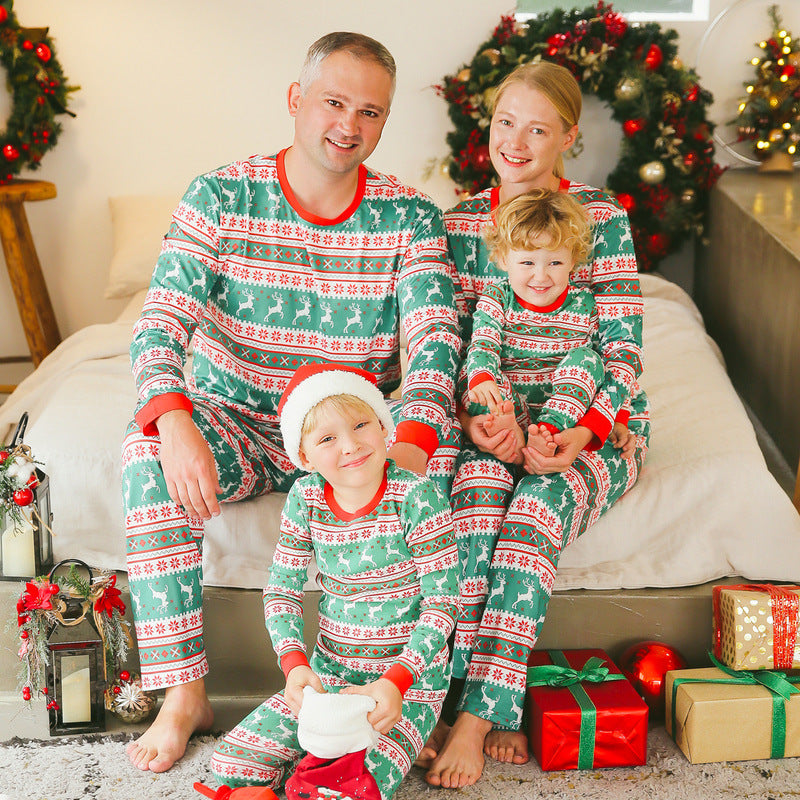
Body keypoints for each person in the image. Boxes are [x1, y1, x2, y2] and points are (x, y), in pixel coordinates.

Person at [121, 32, 460, 774]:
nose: (349, 124)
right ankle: (185, 695)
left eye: (370, 112)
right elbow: (160, 322)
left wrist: (401, 462)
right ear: (295, 101)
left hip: (347, 440)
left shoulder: (410, 217)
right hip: (236, 422)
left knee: (437, 481)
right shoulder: (220, 195)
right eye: (334, 102)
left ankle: (413, 698)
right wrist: (174, 421)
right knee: (146, 451)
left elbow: (435, 350)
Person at [422, 60, 650, 788]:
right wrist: (476, 416)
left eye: (538, 128)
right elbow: (453, 347)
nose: (516, 143)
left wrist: (582, 434)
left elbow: (621, 353)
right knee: (476, 505)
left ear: (568, 138)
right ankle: (469, 696)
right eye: (504, 124)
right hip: (495, 423)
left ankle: (478, 718)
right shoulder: (459, 223)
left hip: (593, 422)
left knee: (534, 512)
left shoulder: (603, 220)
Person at [210, 363, 460, 799]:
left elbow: (442, 604)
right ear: (304, 457)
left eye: (362, 424)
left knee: (350, 789)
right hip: (329, 675)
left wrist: (397, 682)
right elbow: (282, 590)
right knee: (230, 763)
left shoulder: (417, 495)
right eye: (327, 438)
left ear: (384, 427)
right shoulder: (305, 498)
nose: (351, 445)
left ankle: (398, 738)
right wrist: (295, 665)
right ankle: (307, 769)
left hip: (403, 687)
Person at [463, 188, 612, 460]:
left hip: (562, 412)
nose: (541, 276)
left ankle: (543, 435)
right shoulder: (497, 298)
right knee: (474, 378)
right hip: (511, 403)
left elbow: (607, 371)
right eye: (528, 262)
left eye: (555, 262)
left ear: (573, 262)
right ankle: (513, 440)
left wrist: (621, 417)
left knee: (590, 360)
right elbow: (483, 346)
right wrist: (482, 376)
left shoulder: (585, 304)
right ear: (505, 259)